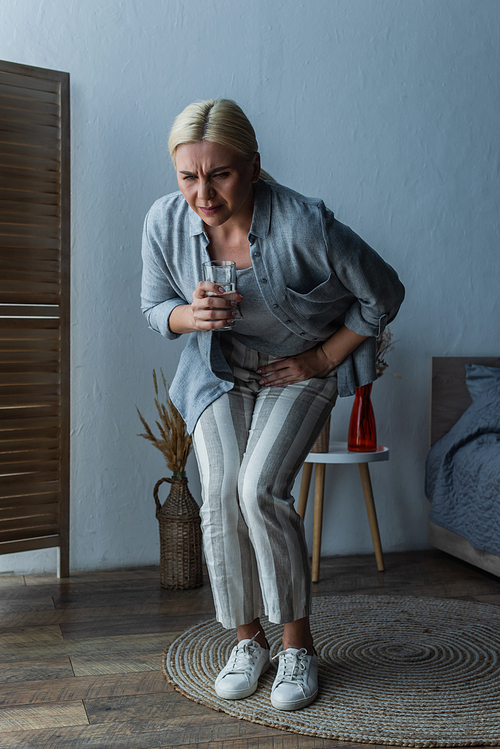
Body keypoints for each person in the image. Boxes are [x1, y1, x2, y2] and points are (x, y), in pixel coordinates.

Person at [141, 99, 404, 711]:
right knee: (221, 490)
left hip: (298, 370)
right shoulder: (163, 222)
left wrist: (322, 359)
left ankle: (297, 647)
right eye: (188, 176)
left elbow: (384, 292)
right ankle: (247, 640)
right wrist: (188, 315)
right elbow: (156, 309)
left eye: (220, 174)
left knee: (259, 489)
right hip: (217, 371)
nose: (202, 193)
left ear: (254, 166)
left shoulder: (306, 225)